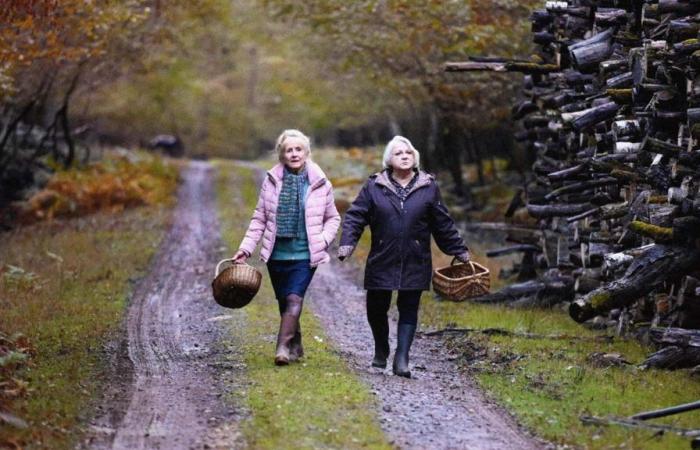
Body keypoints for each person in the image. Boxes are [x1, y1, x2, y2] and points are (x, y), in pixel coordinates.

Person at [338, 136, 470, 378]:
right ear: (390, 159)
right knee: (376, 307)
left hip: (415, 257)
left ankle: (402, 358)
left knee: (409, 307)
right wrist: (347, 243)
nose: (405, 155)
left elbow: (442, 222)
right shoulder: (374, 186)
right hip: (382, 255)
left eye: (409, 152)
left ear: (415, 157)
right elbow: (356, 216)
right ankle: (381, 347)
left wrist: (458, 250)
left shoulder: (428, 186)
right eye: (399, 153)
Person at [232, 129, 340, 365]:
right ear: (281, 155)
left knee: (294, 299)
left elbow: (333, 218)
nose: (294, 154)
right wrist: (246, 248)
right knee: (284, 301)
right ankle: (296, 344)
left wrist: (322, 240)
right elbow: (260, 218)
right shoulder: (271, 182)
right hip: (277, 254)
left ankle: (281, 348)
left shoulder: (321, 183)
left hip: (305, 253)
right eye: (288, 150)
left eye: (298, 149)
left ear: (307, 152)